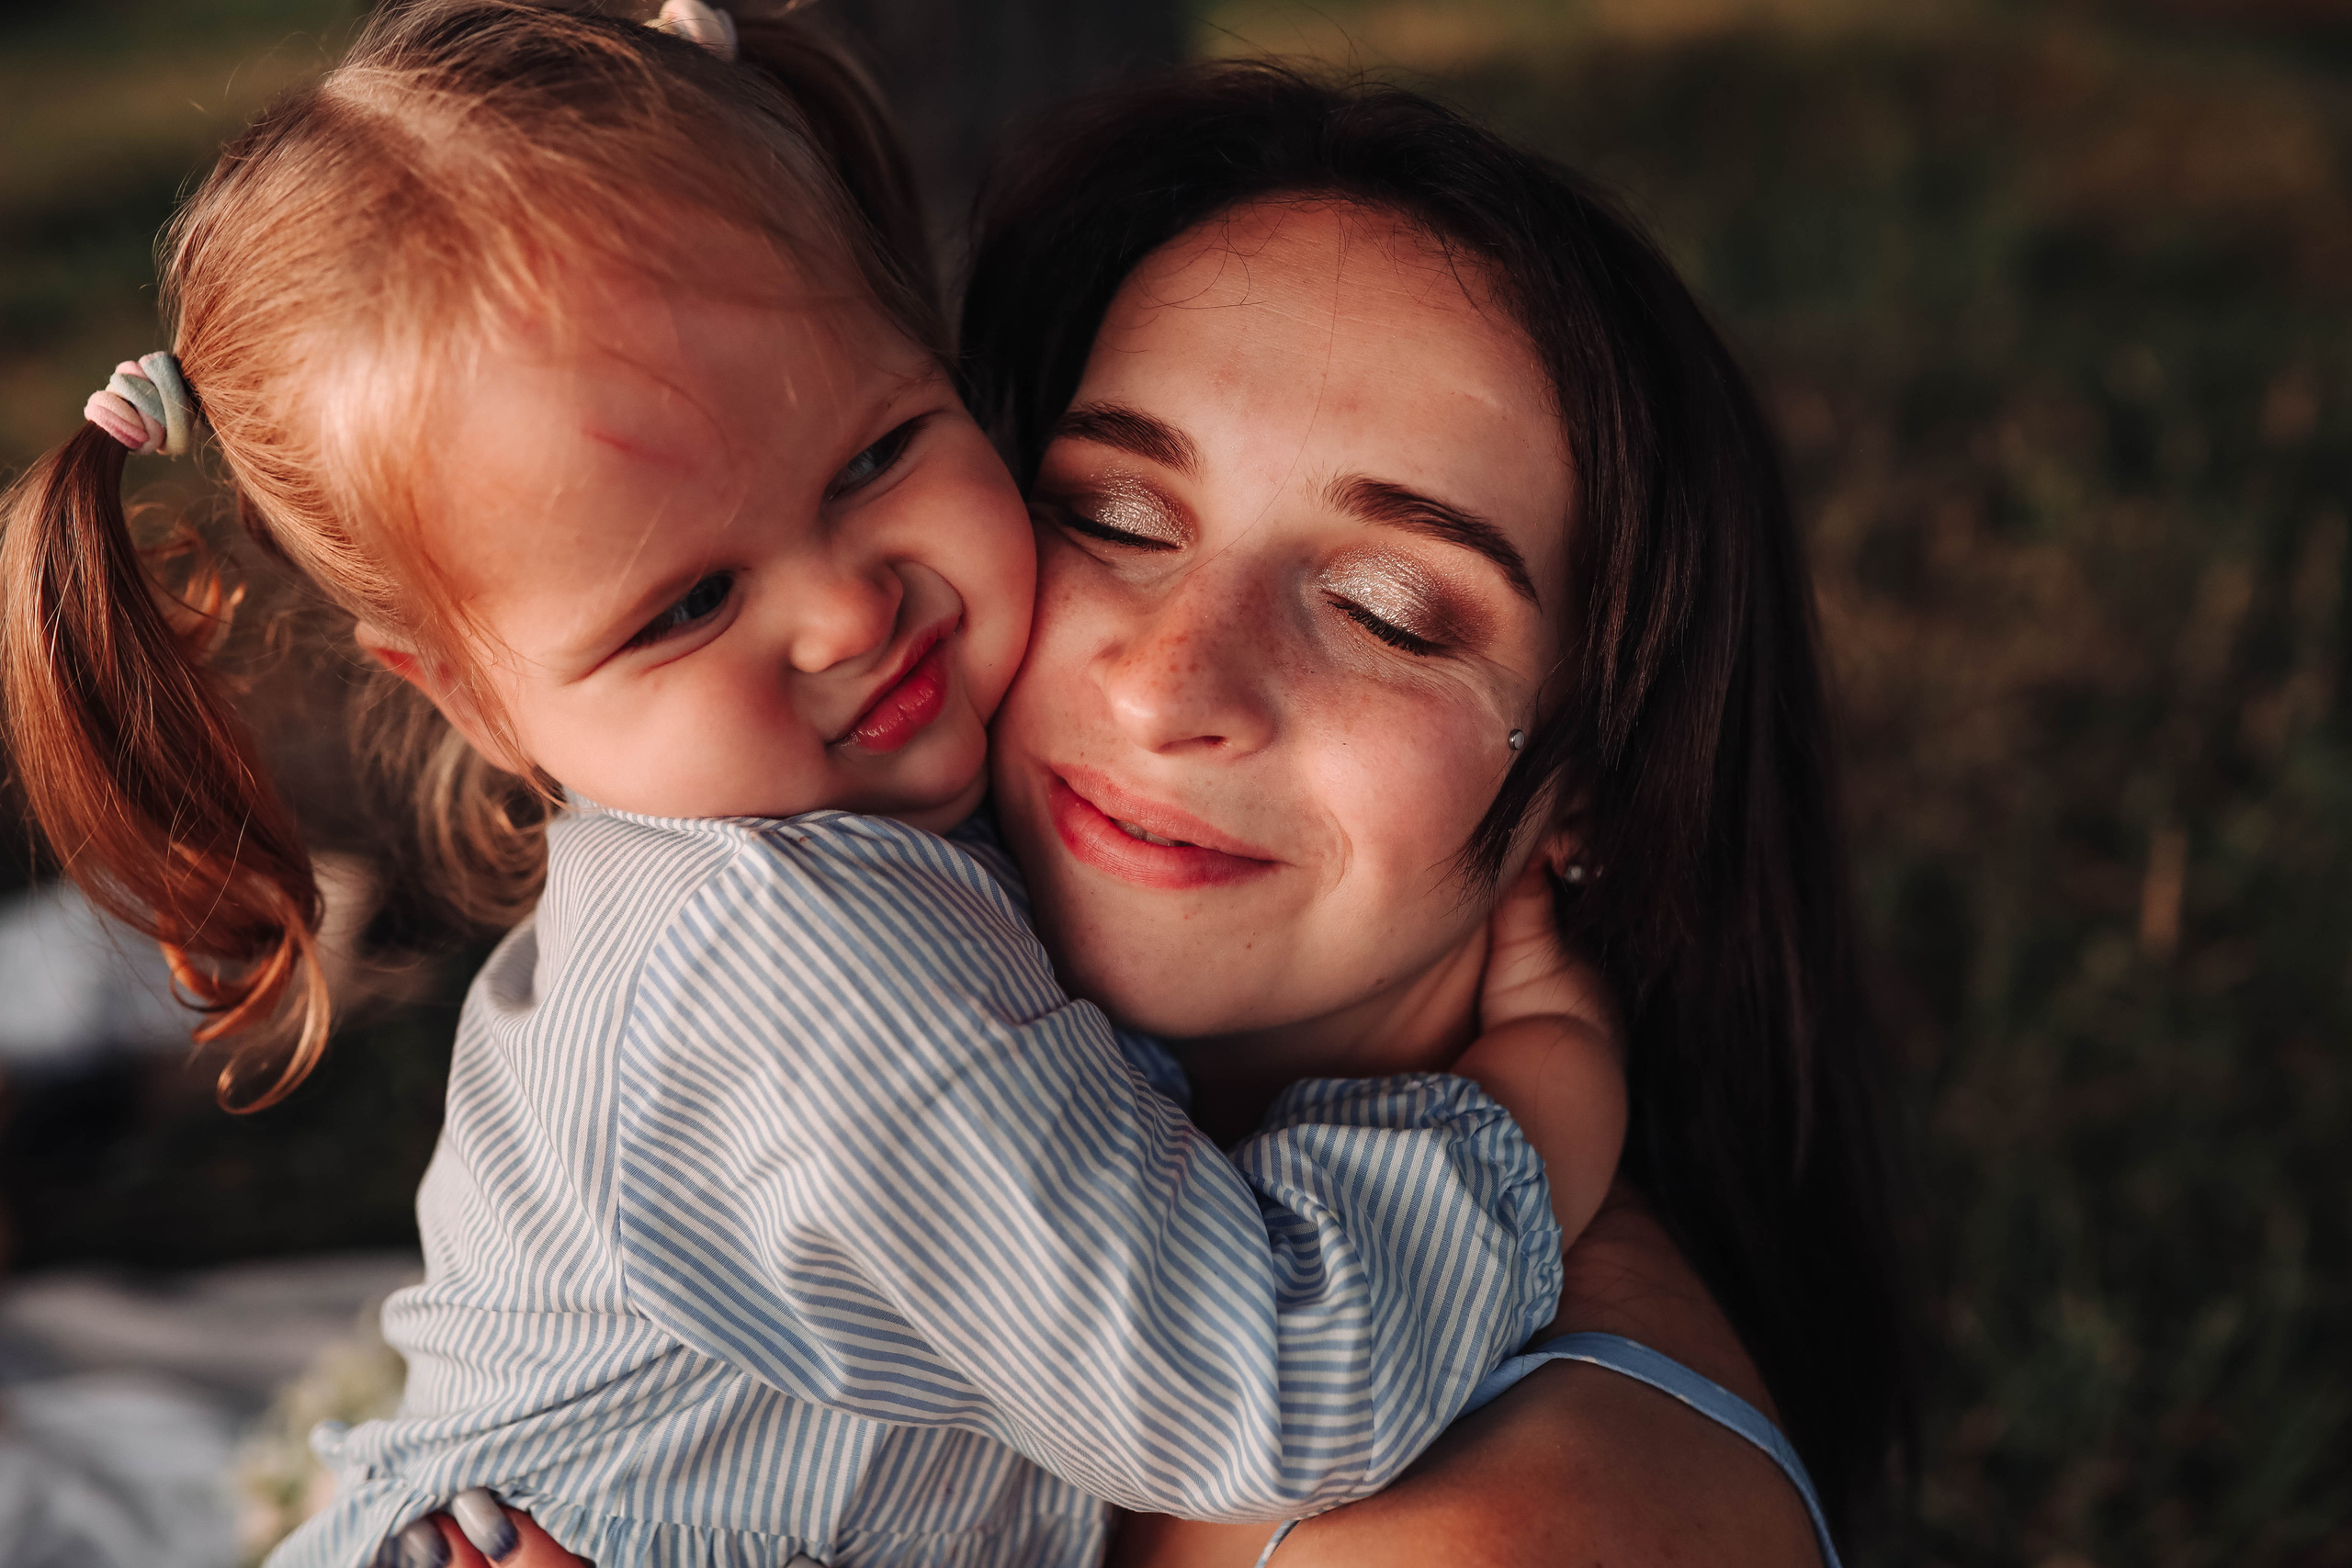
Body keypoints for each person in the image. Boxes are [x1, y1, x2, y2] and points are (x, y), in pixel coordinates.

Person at [0, 6, 1628, 1567]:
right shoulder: (796, 950)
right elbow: (1256, 1386)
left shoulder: (777, 851)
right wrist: (1523, 1122)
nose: (852, 609)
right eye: (690, 602)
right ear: (478, 701)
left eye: (876, 457)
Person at [416, 52, 1913, 1568]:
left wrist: (1535, 1106)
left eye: (1390, 612)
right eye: (1113, 519)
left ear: (1595, 781)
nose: (1169, 684)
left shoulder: (1509, 1534)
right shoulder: (865, 1074)